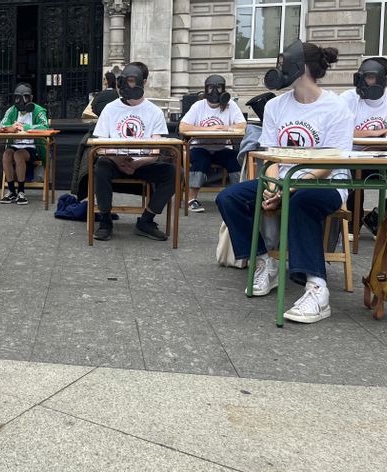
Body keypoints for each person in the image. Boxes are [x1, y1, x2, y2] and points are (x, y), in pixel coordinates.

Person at [216, 40, 352, 324]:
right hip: (284, 179)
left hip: (325, 182)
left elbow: (330, 162)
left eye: (283, 64)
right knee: (229, 197)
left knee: (300, 202)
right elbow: (272, 156)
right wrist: (273, 187)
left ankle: (318, 289)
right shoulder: (277, 106)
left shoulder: (336, 107)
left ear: (301, 68)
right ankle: (266, 261)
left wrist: (289, 188)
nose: (278, 70)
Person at [89, 62, 175, 241]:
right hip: (114, 160)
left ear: (143, 82)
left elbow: (156, 150)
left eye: (132, 81)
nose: (129, 86)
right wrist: (119, 160)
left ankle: (146, 221)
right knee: (100, 166)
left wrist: (138, 163)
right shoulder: (111, 109)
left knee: (174, 173)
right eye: (126, 81)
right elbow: (99, 146)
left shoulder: (154, 112)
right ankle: (105, 221)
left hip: (143, 162)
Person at [179, 74, 247, 212]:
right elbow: (183, 127)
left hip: (221, 148)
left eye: (219, 88)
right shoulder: (199, 106)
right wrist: (208, 129)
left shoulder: (230, 105)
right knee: (200, 160)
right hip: (199, 146)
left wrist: (227, 127)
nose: (215, 92)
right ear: (205, 90)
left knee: (235, 159)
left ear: (224, 89)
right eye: (211, 88)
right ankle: (191, 198)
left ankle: (240, 198)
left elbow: (243, 125)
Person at [340, 57, 387, 237]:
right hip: (353, 157)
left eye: (369, 77)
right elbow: (340, 130)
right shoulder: (348, 98)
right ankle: (353, 223)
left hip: (381, 157)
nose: (363, 82)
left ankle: (375, 218)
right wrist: (374, 134)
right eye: (361, 77)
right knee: (351, 175)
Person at [0, 83, 49, 205]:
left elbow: (45, 126)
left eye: (26, 97)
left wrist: (26, 127)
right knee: (7, 154)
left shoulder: (38, 110)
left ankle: (21, 191)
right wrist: (11, 127)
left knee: (18, 155)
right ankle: (12, 191)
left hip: (34, 147)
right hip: (15, 145)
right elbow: (1, 126)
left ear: (31, 98)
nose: (22, 101)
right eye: (18, 97)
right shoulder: (11, 110)